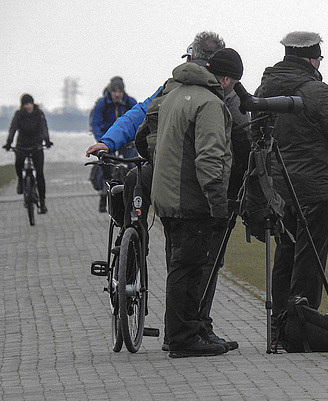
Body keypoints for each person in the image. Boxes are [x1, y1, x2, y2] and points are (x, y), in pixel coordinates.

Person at [85, 31, 249, 351]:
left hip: (169, 182)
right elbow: (219, 149)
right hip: (196, 187)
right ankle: (183, 330)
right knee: (195, 262)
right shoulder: (208, 95)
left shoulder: (180, 88)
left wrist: (152, 153)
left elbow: (142, 124)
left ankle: (192, 326)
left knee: (187, 260)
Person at [152, 48, 243, 358]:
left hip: (167, 196)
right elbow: (209, 159)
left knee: (182, 263)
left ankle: (190, 331)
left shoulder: (174, 93)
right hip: (191, 198)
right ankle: (183, 337)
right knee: (189, 266)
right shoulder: (210, 103)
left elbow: (145, 135)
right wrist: (218, 204)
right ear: (227, 78)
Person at [253, 31, 328, 317]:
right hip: (314, 190)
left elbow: (256, 138)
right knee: (310, 257)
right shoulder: (317, 91)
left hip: (277, 189)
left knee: (285, 253)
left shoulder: (263, 89)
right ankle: (302, 321)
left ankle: (279, 321)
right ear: (312, 59)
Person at [90, 76, 137, 212]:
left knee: (132, 166)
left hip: (126, 139)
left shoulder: (130, 102)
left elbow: (138, 121)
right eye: (114, 91)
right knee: (105, 166)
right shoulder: (102, 104)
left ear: (123, 92)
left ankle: (132, 196)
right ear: (110, 92)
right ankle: (103, 194)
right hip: (107, 139)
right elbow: (96, 123)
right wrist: (101, 140)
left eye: (119, 91)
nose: (117, 94)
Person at [3, 94, 53, 214]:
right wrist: (9, 142)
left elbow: (44, 127)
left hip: (37, 145)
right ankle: (21, 180)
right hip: (22, 145)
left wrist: (47, 140)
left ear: (33, 103)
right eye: (26, 104)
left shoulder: (39, 113)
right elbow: (13, 128)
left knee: (40, 173)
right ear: (22, 105)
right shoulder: (18, 115)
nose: (28, 106)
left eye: (30, 103)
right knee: (18, 163)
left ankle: (42, 202)